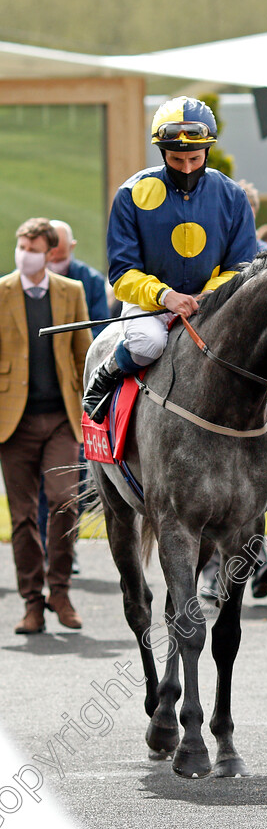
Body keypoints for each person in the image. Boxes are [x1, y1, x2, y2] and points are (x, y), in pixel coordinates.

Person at [82, 95, 258, 424]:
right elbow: (122, 273)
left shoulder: (232, 195)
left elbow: (242, 266)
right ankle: (105, 374)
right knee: (148, 344)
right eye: (177, 160)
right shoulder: (131, 194)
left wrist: (207, 296)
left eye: (194, 158)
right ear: (163, 153)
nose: (188, 168)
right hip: (150, 306)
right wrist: (166, 296)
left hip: (212, 304)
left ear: (207, 150)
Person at [0, 218, 92, 634]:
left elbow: (82, 355)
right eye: (22, 245)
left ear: (51, 251)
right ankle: (32, 602)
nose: (25, 253)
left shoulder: (70, 292)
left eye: (33, 247)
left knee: (64, 502)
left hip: (60, 418)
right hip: (12, 423)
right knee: (22, 517)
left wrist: (91, 411)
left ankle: (60, 590)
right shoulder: (1, 292)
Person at [37, 220, 109, 561]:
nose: (55, 258)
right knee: (40, 478)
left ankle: (66, 547)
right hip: (36, 390)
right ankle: (44, 546)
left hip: (74, 389)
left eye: (60, 252)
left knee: (71, 475)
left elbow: (96, 334)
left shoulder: (90, 281)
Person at [47, 220, 109, 335]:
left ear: (72, 246)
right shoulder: (29, 280)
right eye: (50, 258)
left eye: (60, 259)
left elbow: (101, 328)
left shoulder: (93, 281)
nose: (55, 264)